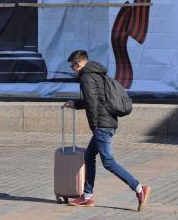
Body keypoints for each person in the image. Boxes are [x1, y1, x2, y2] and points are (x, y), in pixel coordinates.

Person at [63, 49, 151, 211]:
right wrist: (75, 104)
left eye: (73, 66)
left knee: (108, 162)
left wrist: (95, 126)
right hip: (107, 121)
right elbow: (95, 99)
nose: (73, 69)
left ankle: (139, 188)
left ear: (80, 63)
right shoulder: (97, 73)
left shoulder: (87, 77)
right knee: (89, 156)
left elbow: (92, 104)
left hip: (102, 125)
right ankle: (87, 197)